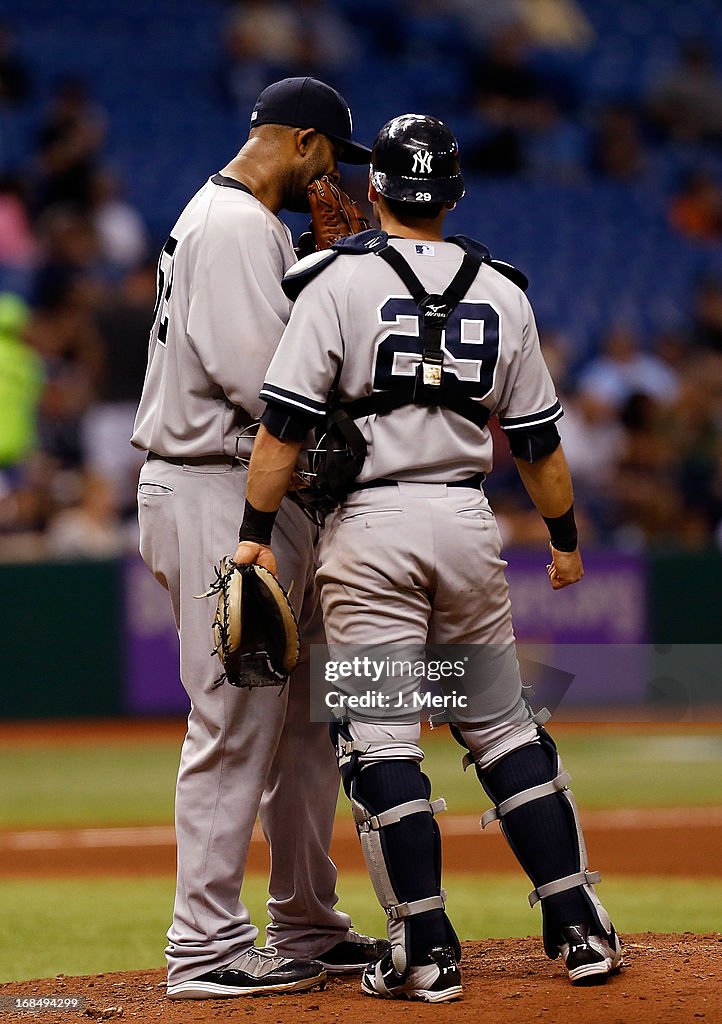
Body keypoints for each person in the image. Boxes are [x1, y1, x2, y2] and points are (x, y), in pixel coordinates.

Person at [234, 113, 623, 1002]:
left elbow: (285, 429)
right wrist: (564, 543)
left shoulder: (335, 281)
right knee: (499, 722)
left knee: (379, 738)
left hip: (370, 529)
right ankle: (579, 924)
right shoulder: (505, 291)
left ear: (375, 190)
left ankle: (426, 947)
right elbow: (539, 450)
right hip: (466, 518)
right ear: (454, 193)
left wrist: (254, 534)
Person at [130, 77, 387, 1000]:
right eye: (333, 158)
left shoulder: (241, 221)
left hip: (254, 489)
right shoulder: (236, 225)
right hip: (214, 486)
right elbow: (269, 385)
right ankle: (203, 945)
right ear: (306, 143)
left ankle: (306, 921)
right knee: (234, 717)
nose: (336, 179)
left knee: (309, 718)